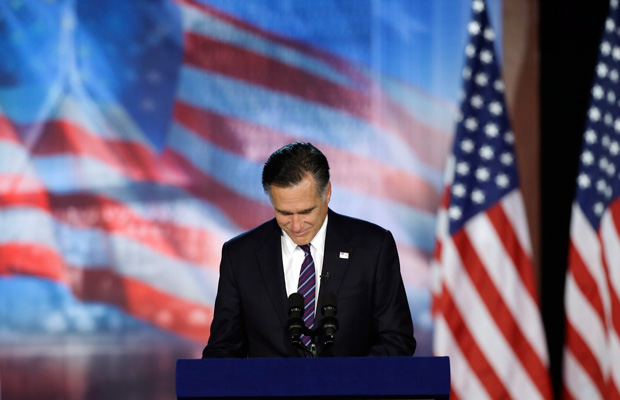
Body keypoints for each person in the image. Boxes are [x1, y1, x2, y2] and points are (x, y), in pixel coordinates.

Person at [202, 142, 416, 358]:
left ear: (328, 193)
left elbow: (396, 339)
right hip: (270, 391)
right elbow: (223, 349)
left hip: (352, 391)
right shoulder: (240, 256)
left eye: (306, 211)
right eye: (284, 213)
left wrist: (349, 383)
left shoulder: (372, 247)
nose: (296, 225)